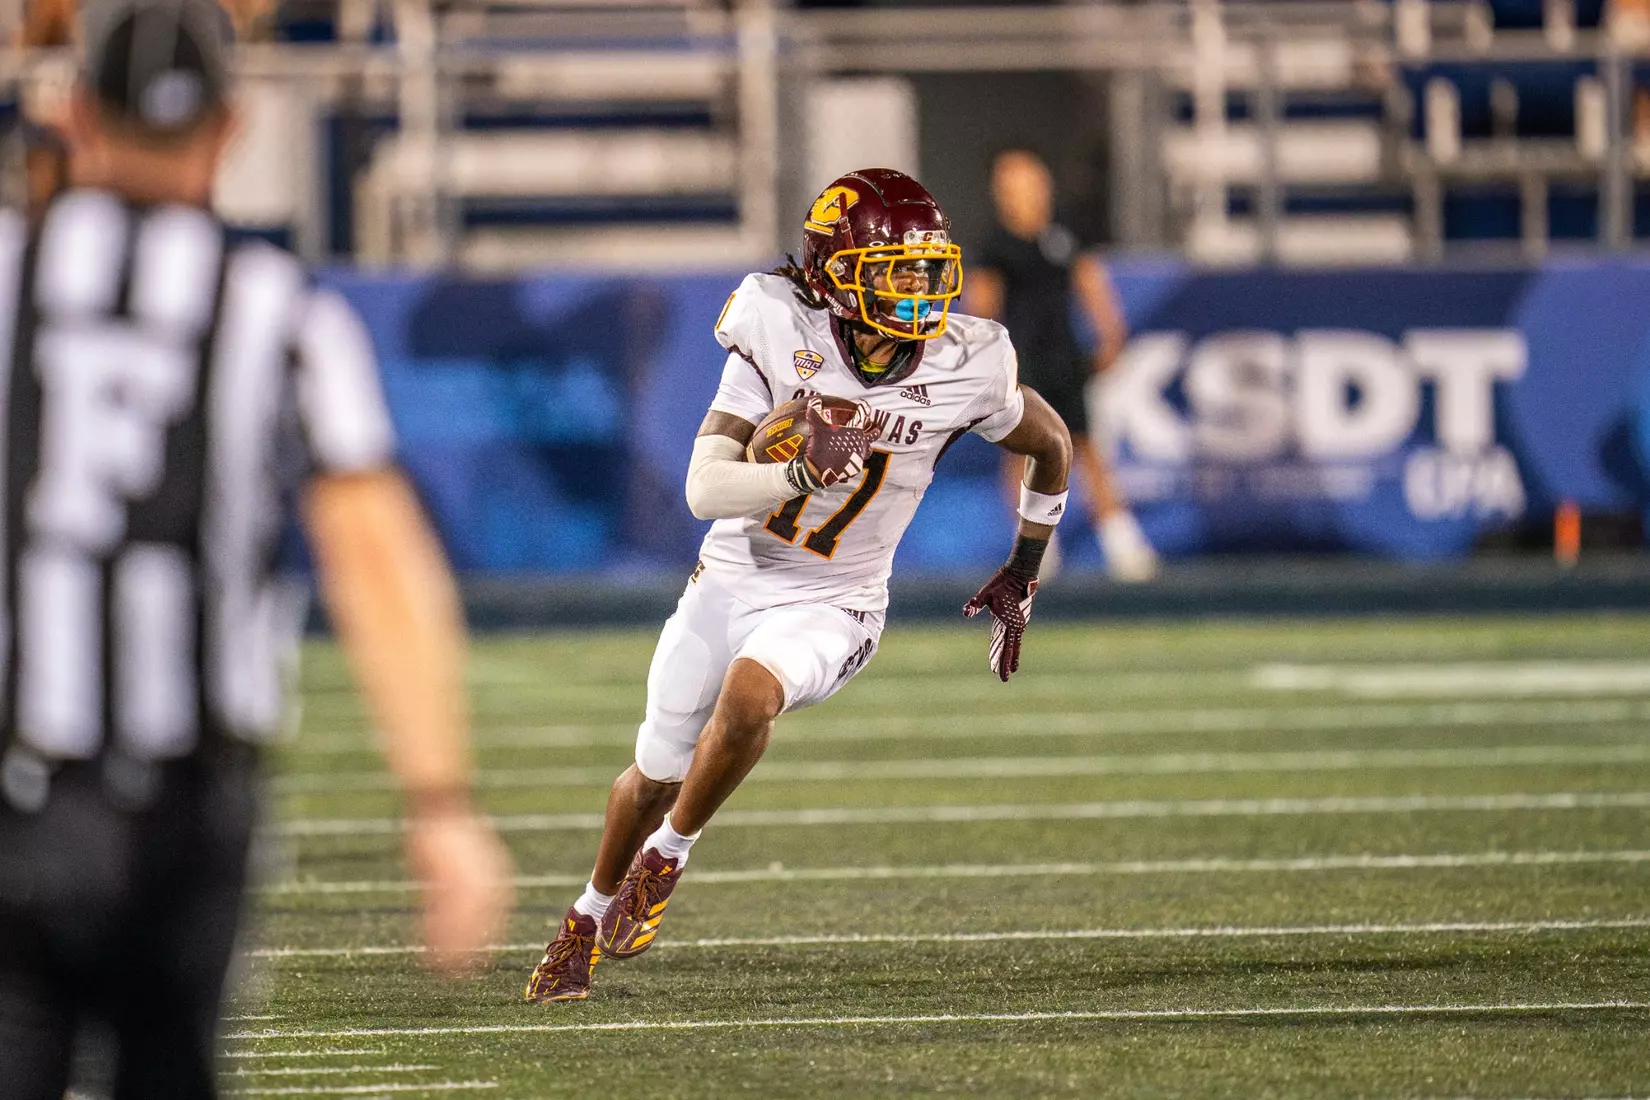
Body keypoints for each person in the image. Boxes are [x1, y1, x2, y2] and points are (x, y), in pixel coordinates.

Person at [0, 2, 515, 1096]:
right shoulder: (277, 310)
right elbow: (375, 555)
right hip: (183, 815)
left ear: (80, 115)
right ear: (231, 127)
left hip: (19, 791)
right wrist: (440, 802)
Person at [525, 167, 1072, 1003]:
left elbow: (1054, 444)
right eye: (892, 271)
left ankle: (665, 859)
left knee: (750, 697)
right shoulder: (778, 328)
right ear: (835, 273)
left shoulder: (970, 362)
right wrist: (794, 474)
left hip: (840, 599)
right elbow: (704, 490)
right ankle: (585, 916)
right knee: (652, 771)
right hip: (734, 575)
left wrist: (1023, 572)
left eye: (926, 272)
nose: (917, 292)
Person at [968, 146, 1158, 581]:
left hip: (1065, 357)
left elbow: (1090, 281)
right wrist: (987, 359)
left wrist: (1110, 333)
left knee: (1088, 449)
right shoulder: (995, 245)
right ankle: (1034, 551)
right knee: (1019, 454)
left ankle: (1123, 543)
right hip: (1021, 362)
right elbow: (982, 305)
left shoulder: (1063, 234)